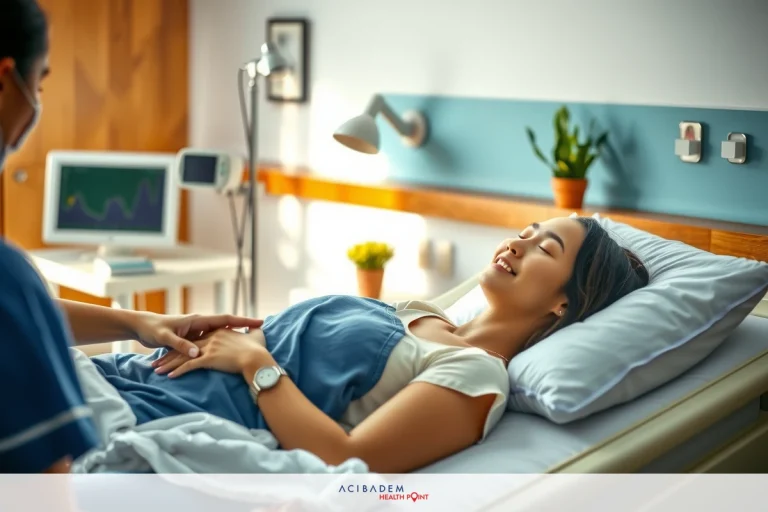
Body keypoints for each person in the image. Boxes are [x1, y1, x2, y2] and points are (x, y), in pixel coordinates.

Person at [91, 216, 650, 473]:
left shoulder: (477, 375)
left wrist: (255, 362)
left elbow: (348, 460)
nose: (517, 244)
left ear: (563, 305)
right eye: (526, 232)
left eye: (543, 250)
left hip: (177, 413)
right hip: (135, 374)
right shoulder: (420, 311)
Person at [0, 0, 263, 474]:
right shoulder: (9, 277)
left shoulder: (12, 288)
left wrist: (138, 323)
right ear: (5, 80)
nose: (35, 105)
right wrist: (261, 371)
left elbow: (23, 317)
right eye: (38, 84)